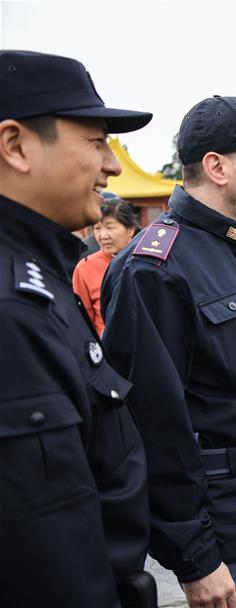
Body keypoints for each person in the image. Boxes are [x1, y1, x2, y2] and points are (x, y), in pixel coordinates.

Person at [102, 95, 236, 608]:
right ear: (217, 166)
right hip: (220, 523)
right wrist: (195, 557)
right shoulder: (155, 268)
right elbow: (150, 427)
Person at [0, 50, 153, 607]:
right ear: (15, 145)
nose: (112, 165)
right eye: (95, 141)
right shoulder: (12, 309)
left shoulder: (39, 274)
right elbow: (46, 555)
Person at [73, 197, 141, 334]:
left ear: (130, 229)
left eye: (110, 227)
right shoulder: (85, 268)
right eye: (97, 229)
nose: (103, 235)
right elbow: (82, 321)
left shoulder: (148, 261)